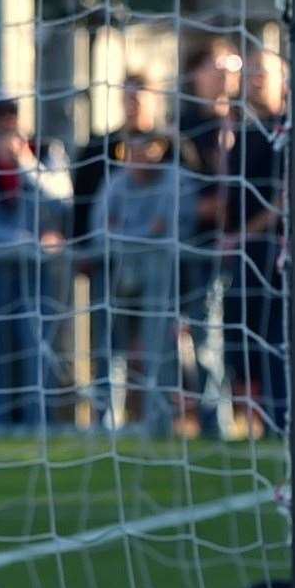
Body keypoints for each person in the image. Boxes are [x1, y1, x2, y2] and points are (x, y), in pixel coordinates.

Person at [0, 96, 70, 428]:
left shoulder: (47, 151)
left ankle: (40, 424)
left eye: (13, 113)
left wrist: (26, 163)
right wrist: (23, 241)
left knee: (37, 346)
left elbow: (63, 198)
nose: (7, 121)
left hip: (37, 271)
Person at [94, 130, 200, 437]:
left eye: (147, 149)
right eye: (133, 150)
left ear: (160, 150)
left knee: (163, 347)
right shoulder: (115, 183)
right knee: (113, 347)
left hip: (171, 282)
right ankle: (108, 421)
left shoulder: (174, 181)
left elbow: (175, 226)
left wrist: (127, 232)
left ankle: (169, 420)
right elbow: (99, 229)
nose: (140, 157)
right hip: (119, 278)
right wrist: (147, 232)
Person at [73, 75, 158, 425]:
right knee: (109, 342)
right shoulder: (98, 148)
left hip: (160, 268)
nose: (133, 103)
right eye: (128, 96)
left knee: (156, 343)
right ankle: (106, 417)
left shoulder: (174, 145)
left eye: (141, 96)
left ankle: (162, 417)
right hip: (110, 264)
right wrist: (83, 248)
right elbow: (83, 203)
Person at [175, 40, 241, 436]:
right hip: (194, 245)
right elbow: (189, 197)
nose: (223, 74)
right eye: (214, 66)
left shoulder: (246, 122)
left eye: (229, 66)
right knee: (202, 335)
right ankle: (211, 421)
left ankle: (241, 418)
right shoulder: (183, 128)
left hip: (244, 245)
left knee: (234, 335)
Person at [221, 50, 288, 434]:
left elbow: (287, 197)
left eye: (265, 72)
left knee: (278, 336)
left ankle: (282, 419)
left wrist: (246, 234)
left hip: (276, 253)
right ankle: (255, 421)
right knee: (243, 339)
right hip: (241, 253)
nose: (256, 79)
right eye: (251, 73)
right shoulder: (241, 134)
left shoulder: (290, 129)